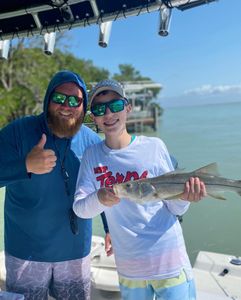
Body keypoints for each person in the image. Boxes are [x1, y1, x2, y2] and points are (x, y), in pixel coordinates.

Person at [73, 79, 207, 300]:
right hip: (129, 270)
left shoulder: (153, 147)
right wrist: (99, 198)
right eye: (99, 109)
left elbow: (176, 210)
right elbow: (80, 209)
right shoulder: (92, 156)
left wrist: (185, 198)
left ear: (128, 108)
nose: (108, 114)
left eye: (115, 106)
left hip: (169, 262)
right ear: (93, 117)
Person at [0, 70, 104, 300]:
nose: (66, 106)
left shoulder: (92, 142)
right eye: (59, 98)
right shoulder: (18, 132)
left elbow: (105, 188)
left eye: (75, 100)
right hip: (26, 252)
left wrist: (109, 229)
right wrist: (24, 165)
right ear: (48, 100)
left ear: (83, 106)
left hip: (75, 252)